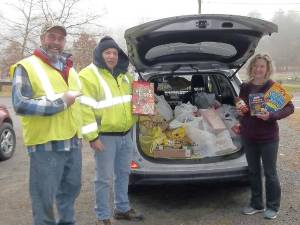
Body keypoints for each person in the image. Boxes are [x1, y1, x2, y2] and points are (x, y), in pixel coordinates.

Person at [11, 21, 82, 225]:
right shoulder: (27, 66)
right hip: (45, 146)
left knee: (70, 193)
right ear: (42, 38)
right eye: (52, 37)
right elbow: (20, 104)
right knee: (44, 199)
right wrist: (61, 103)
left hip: (73, 142)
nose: (56, 42)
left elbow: (79, 106)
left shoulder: (71, 68)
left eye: (60, 38)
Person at [79, 36, 143, 225]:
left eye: (115, 53)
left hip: (126, 135)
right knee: (103, 179)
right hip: (105, 137)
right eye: (108, 52)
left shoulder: (125, 75)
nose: (112, 56)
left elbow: (134, 101)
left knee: (123, 174)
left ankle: (122, 209)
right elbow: (84, 108)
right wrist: (92, 137)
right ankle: (102, 216)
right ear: (100, 53)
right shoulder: (88, 75)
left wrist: (145, 105)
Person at [237, 53, 294, 220]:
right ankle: (256, 204)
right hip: (249, 136)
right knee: (253, 171)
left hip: (268, 137)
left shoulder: (273, 86)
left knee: (270, 173)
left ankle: (272, 207)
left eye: (262, 66)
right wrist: (239, 113)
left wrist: (271, 116)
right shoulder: (245, 87)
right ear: (251, 68)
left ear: (267, 68)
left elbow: (290, 108)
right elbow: (242, 109)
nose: (258, 69)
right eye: (255, 66)